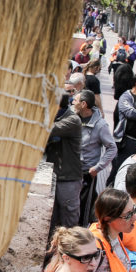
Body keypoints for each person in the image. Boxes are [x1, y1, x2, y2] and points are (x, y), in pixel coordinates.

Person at [74, 89, 116, 225]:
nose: (72, 102)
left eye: (76, 100)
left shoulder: (100, 125)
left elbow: (112, 148)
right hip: (70, 170)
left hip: (87, 173)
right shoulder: (73, 117)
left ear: (84, 104)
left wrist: (97, 168)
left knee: (83, 209)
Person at [46, 91, 83, 230]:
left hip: (68, 179)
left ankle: (69, 250)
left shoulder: (72, 120)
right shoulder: (54, 117)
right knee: (51, 219)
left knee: (68, 221)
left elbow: (49, 130)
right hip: (54, 176)